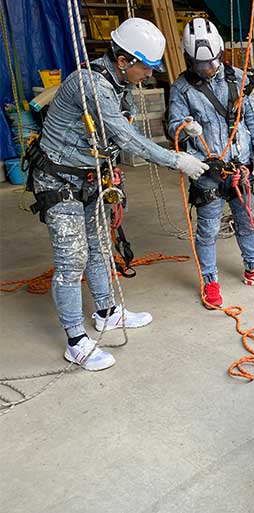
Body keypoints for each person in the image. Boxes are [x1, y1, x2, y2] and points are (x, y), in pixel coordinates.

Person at [26, 18, 208, 371]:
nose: (150, 75)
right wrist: (176, 160)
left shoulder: (117, 84)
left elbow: (112, 141)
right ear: (124, 60)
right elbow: (127, 139)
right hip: (58, 181)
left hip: (90, 180)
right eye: (147, 67)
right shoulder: (90, 85)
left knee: (98, 249)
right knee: (71, 261)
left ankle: (107, 312)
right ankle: (76, 341)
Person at [168, 18, 254, 308]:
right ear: (188, 59)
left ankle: (253, 268)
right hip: (208, 172)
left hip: (241, 170)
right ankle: (210, 281)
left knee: (247, 222)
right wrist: (184, 127)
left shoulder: (238, 78)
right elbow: (172, 126)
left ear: (220, 52)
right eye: (200, 65)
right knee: (207, 230)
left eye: (212, 62)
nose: (207, 69)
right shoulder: (182, 88)